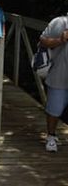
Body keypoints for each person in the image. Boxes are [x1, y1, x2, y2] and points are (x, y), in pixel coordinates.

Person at [39, 14, 68, 152]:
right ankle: (51, 136)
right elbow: (43, 41)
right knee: (55, 107)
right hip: (60, 73)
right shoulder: (60, 22)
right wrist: (60, 40)